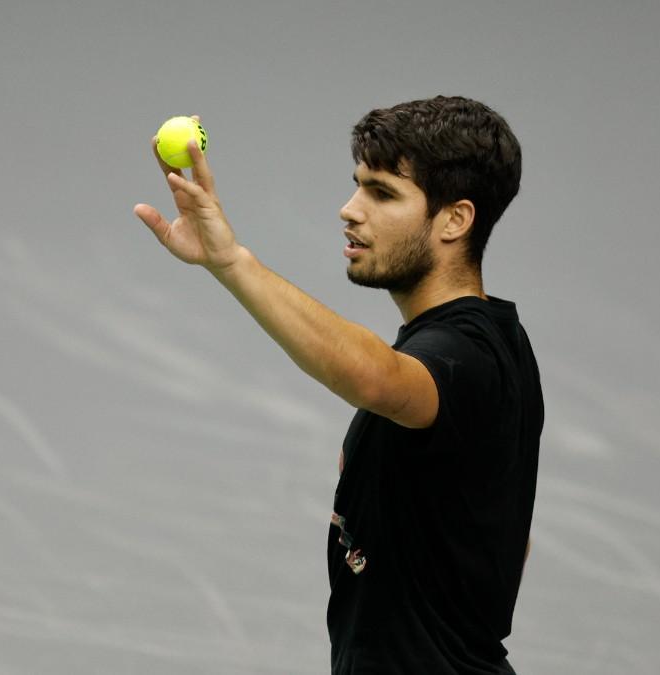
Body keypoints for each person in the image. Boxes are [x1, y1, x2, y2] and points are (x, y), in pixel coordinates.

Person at [133, 95, 543, 674]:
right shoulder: (498, 343)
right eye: (357, 186)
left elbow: (372, 377)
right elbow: (508, 532)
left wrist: (231, 263)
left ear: (455, 219)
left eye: (382, 193)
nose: (350, 209)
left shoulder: (464, 357)